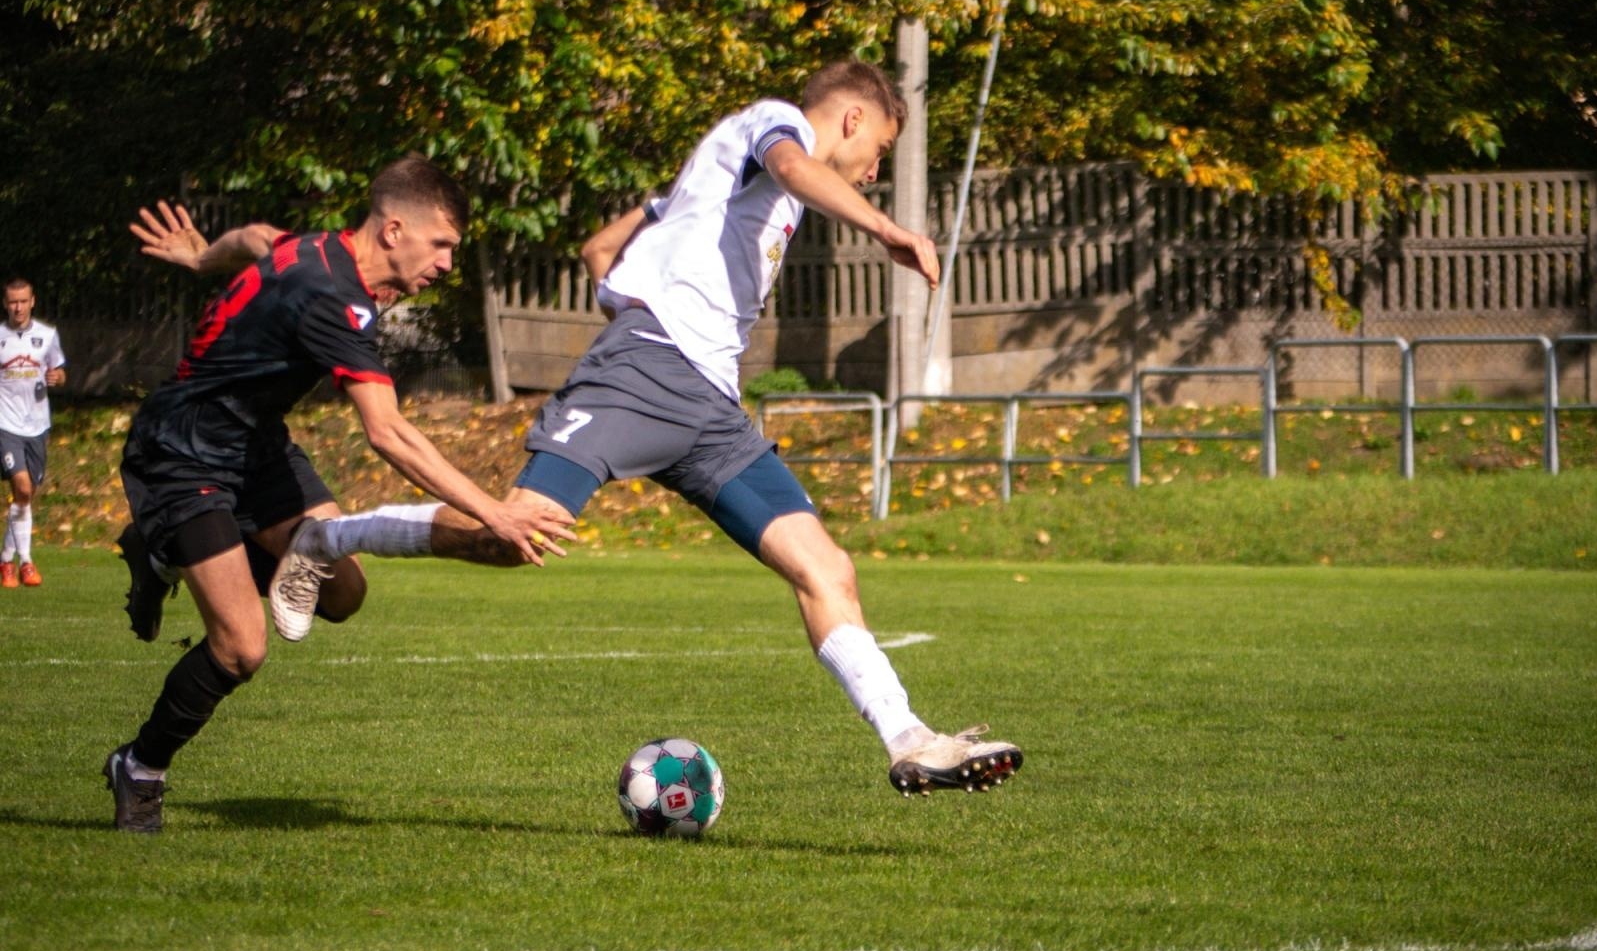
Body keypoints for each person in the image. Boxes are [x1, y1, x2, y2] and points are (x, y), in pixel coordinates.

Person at [272, 61, 1023, 798]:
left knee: (827, 568)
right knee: (512, 537)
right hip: (644, 372)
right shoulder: (775, 124)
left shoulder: (725, 182)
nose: (871, 171)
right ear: (852, 118)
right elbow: (795, 168)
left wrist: (630, 281)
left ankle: (910, 739)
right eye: (880, 152)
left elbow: (603, 247)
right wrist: (885, 229)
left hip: (712, 411)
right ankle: (325, 539)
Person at [102, 157, 574, 833]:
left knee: (343, 594)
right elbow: (388, 434)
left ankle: (174, 552)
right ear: (392, 229)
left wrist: (204, 255)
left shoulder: (317, 250)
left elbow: (258, 238)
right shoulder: (333, 299)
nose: (446, 263)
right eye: (440, 244)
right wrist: (494, 511)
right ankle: (140, 768)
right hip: (182, 452)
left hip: (257, 449)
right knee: (242, 647)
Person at [0, 277, 67, 588]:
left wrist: (57, 377)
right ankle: (26, 563)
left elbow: (60, 371)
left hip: (38, 426)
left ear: (32, 301)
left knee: (24, 499)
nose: (18, 307)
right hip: (6, 425)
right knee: (23, 489)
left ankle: (5, 561)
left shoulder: (47, 335)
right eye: (13, 301)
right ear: (5, 304)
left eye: (23, 301)